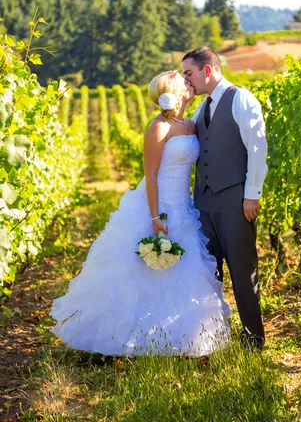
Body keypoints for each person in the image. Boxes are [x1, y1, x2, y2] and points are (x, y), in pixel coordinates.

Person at [50, 71, 230, 356]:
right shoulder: (158, 127)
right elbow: (151, 174)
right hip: (160, 205)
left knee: (186, 269)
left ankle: (184, 337)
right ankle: (138, 339)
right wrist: (155, 217)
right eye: (183, 82)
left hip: (185, 205)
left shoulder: (188, 124)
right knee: (145, 270)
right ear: (173, 91)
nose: (189, 84)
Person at [182, 47, 268, 351]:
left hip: (234, 199)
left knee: (243, 271)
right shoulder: (201, 106)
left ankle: (253, 339)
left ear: (207, 70)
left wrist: (251, 196)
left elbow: (258, 149)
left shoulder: (241, 98)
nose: (186, 81)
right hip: (203, 202)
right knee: (208, 271)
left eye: (188, 74)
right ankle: (213, 337)